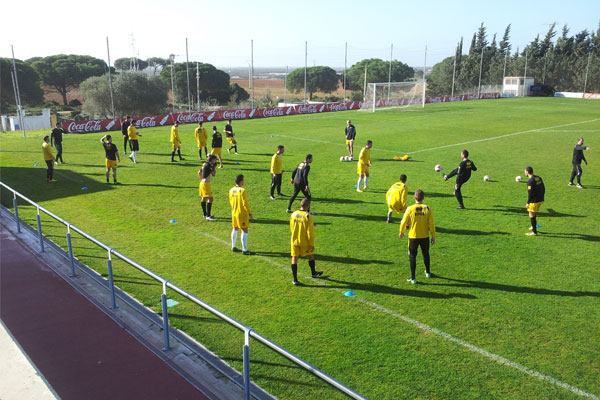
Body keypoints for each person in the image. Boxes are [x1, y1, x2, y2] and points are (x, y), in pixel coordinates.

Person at [399, 189, 435, 284]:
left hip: (413, 237)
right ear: (423, 198)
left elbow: (403, 222)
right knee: (426, 254)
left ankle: (413, 278)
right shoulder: (427, 208)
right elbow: (431, 224)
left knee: (412, 256)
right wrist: (433, 236)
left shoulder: (410, 209)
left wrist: (401, 231)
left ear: (414, 197)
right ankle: (427, 272)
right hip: (425, 236)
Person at [290, 198, 323, 285]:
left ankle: (295, 280)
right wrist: (311, 244)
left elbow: (292, 227)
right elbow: (310, 232)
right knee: (311, 256)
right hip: (304, 242)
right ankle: (313, 273)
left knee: (294, 258)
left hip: (294, 240)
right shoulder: (308, 216)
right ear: (308, 206)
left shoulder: (293, 214)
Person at [229, 174, 254, 255]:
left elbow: (231, 201)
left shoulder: (231, 190)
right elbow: (245, 203)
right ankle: (245, 250)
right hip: (241, 213)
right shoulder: (242, 190)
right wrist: (249, 213)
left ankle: (233, 246)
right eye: (243, 180)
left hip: (234, 213)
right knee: (244, 230)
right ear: (241, 181)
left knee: (235, 228)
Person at [525, 166, 545, 236]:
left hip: (534, 201)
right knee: (534, 213)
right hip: (540, 200)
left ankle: (534, 231)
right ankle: (534, 226)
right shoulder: (538, 178)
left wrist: (528, 203)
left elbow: (530, 193)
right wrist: (542, 198)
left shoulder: (530, 181)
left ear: (527, 172)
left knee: (531, 215)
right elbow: (543, 188)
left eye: (525, 171)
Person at [199, 155, 218, 221]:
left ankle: (205, 214)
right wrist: (214, 167)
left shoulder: (204, 164)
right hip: (206, 184)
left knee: (204, 198)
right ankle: (208, 216)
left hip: (202, 183)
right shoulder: (209, 166)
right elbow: (213, 174)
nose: (215, 161)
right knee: (211, 199)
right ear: (212, 160)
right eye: (215, 160)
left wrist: (201, 180)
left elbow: (199, 172)